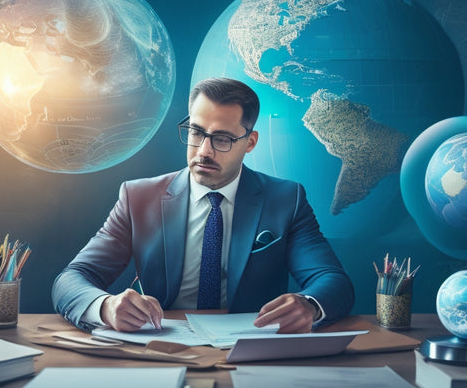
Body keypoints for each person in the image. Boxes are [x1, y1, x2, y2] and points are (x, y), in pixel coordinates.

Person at [52, 77, 354, 334]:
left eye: (222, 138)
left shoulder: (286, 200)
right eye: (196, 133)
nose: (204, 151)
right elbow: (72, 278)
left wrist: (309, 306)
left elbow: (333, 281)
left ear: (250, 142)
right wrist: (106, 306)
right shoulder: (138, 198)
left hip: (253, 346)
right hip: (161, 346)